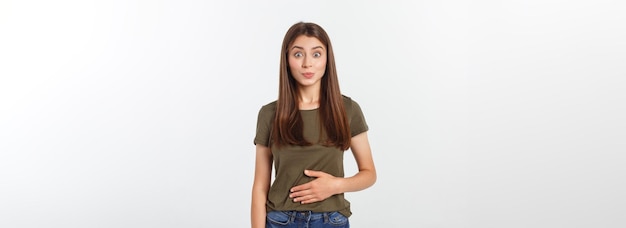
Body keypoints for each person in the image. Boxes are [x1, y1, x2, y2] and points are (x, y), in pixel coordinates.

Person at [251, 22, 376, 228]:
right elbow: (259, 187)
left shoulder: (347, 109)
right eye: (298, 54)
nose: (307, 64)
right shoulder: (269, 114)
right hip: (281, 221)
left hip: (331, 220)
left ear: (327, 59)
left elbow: (369, 173)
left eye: (316, 54)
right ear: (287, 59)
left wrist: (334, 185)